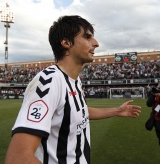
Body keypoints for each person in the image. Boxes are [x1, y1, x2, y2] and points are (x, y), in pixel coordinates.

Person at [5, 15, 141, 164]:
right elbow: (17, 159)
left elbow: (78, 111)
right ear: (66, 42)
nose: (96, 43)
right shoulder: (49, 81)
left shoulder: (75, 80)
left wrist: (116, 111)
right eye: (88, 37)